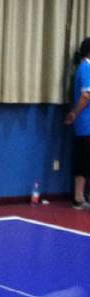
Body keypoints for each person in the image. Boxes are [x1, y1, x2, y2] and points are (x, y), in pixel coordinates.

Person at [64, 37, 90, 210]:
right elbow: (86, 96)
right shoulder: (86, 67)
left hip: (85, 124)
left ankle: (81, 197)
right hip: (86, 124)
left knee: (85, 160)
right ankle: (78, 198)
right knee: (83, 160)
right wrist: (74, 113)